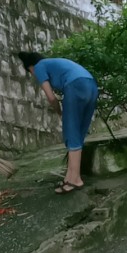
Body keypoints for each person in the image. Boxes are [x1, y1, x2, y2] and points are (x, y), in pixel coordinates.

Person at [17, 50, 99, 193]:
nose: (33, 75)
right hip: (91, 85)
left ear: (30, 68)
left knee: (71, 133)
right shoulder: (52, 63)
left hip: (75, 85)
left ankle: (76, 180)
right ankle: (70, 177)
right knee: (78, 134)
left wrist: (59, 112)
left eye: (31, 72)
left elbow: (51, 97)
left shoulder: (39, 67)